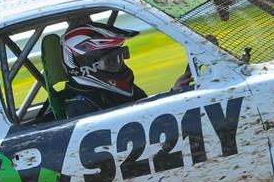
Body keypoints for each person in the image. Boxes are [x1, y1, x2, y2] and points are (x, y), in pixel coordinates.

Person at [59, 21, 193, 118]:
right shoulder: (80, 108)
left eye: (121, 57)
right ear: (83, 66)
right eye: (111, 61)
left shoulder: (120, 92)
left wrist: (174, 93)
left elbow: (148, 115)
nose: (119, 66)